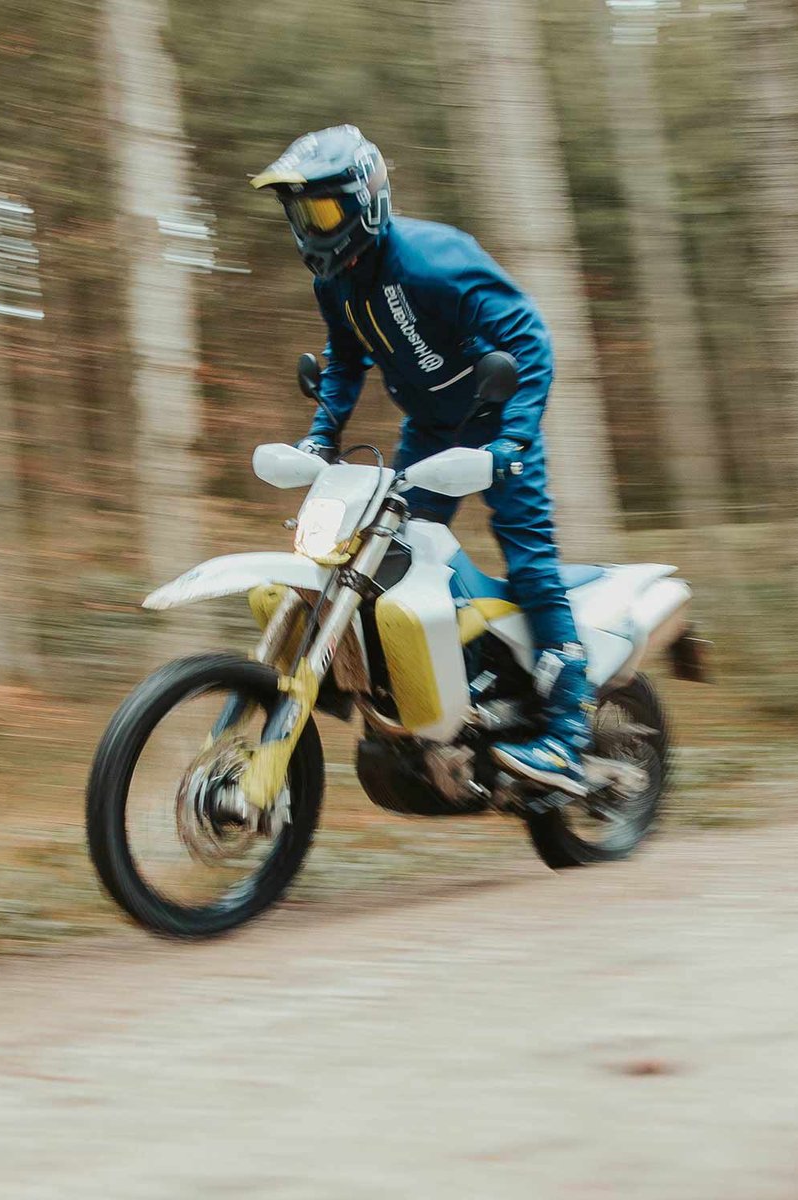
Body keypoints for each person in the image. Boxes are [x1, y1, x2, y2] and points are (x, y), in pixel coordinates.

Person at [251, 124, 596, 797]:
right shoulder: (335, 282)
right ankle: (446, 702)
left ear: (364, 201)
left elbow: (530, 338)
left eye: (320, 210)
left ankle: (570, 735)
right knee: (385, 558)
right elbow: (346, 361)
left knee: (529, 562)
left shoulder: (435, 258)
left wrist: (514, 440)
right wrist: (321, 435)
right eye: (299, 213)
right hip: (429, 430)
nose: (309, 228)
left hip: (496, 427)